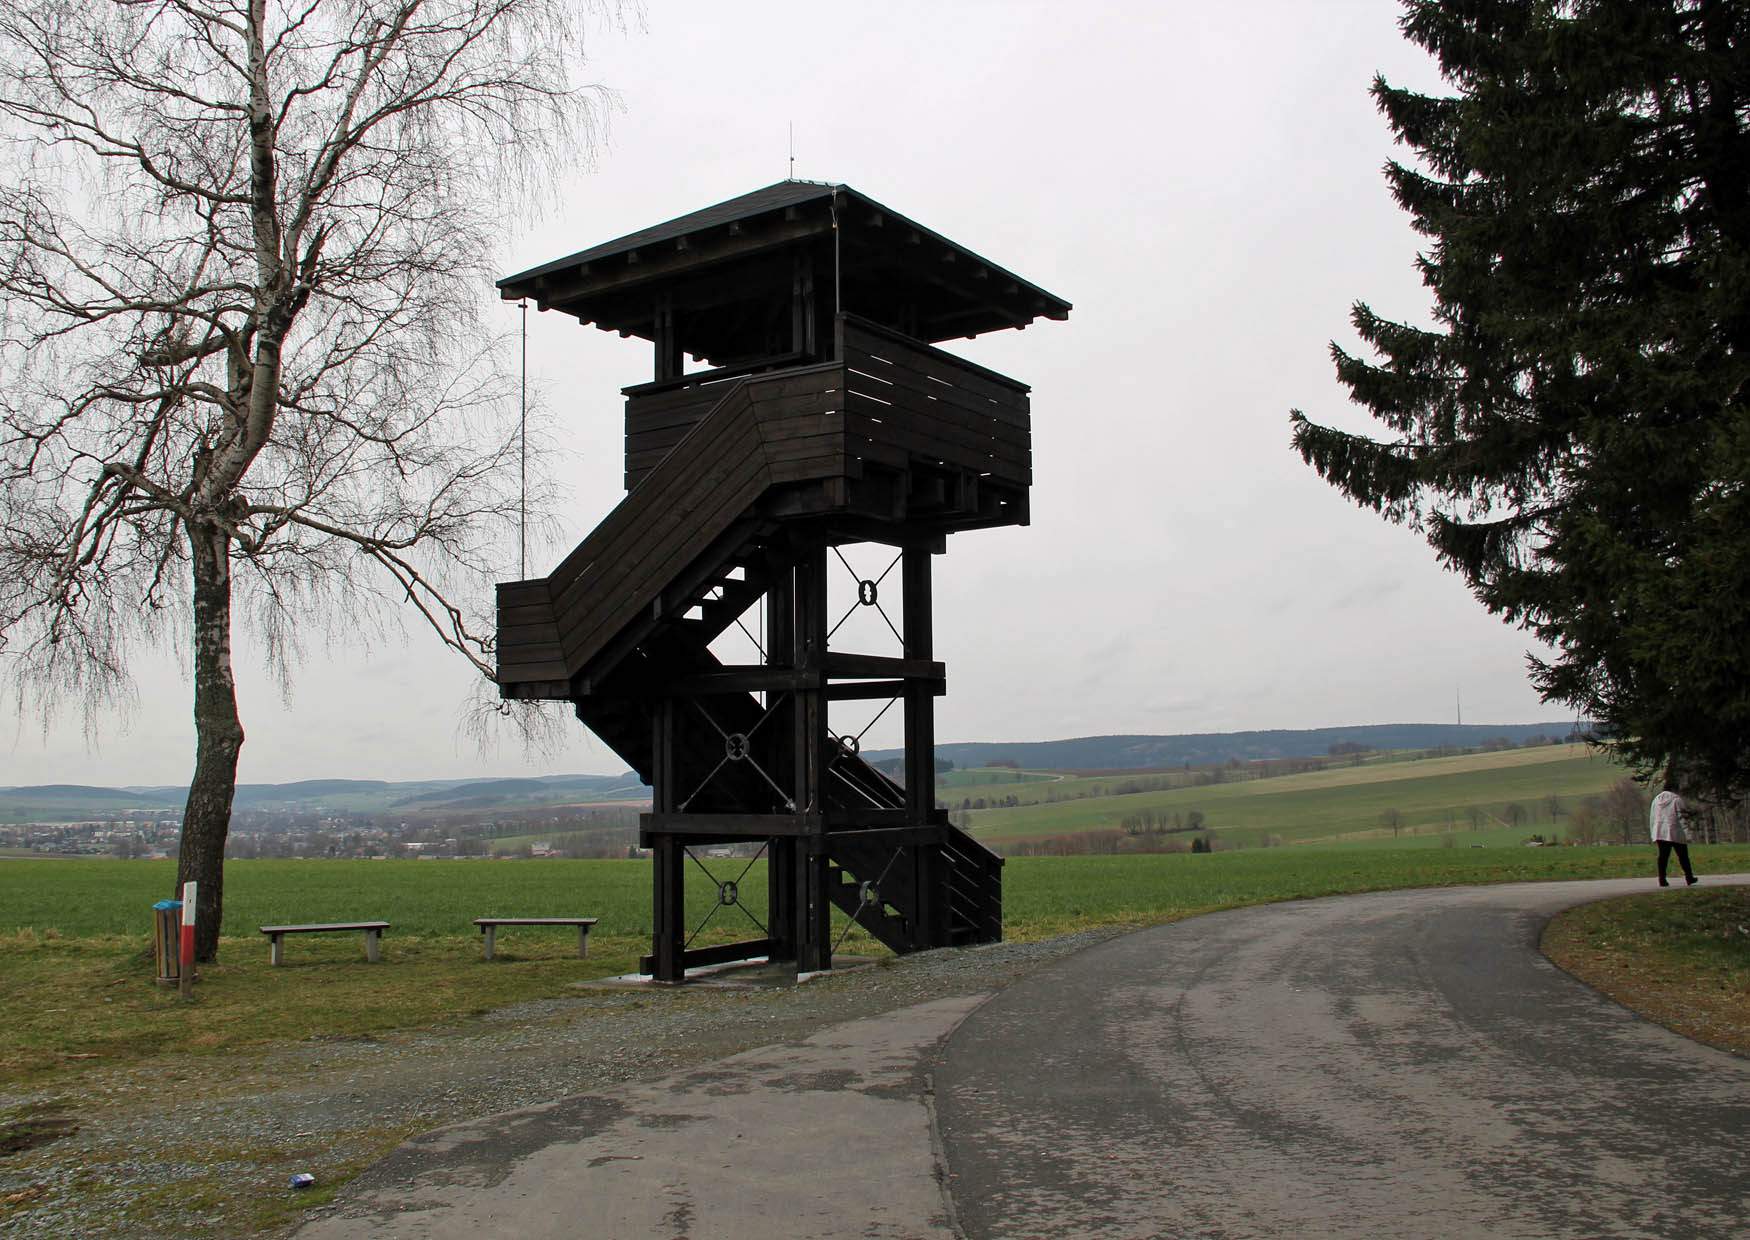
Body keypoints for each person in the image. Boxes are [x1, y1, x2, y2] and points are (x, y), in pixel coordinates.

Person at [1648, 780, 1698, 887]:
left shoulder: (1656, 800)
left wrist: (1653, 832)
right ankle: (1689, 877)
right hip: (1675, 831)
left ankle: (1662, 879)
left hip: (1660, 831)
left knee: (1663, 857)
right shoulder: (1676, 799)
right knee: (1683, 856)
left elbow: (1652, 816)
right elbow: (1683, 817)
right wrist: (1688, 833)